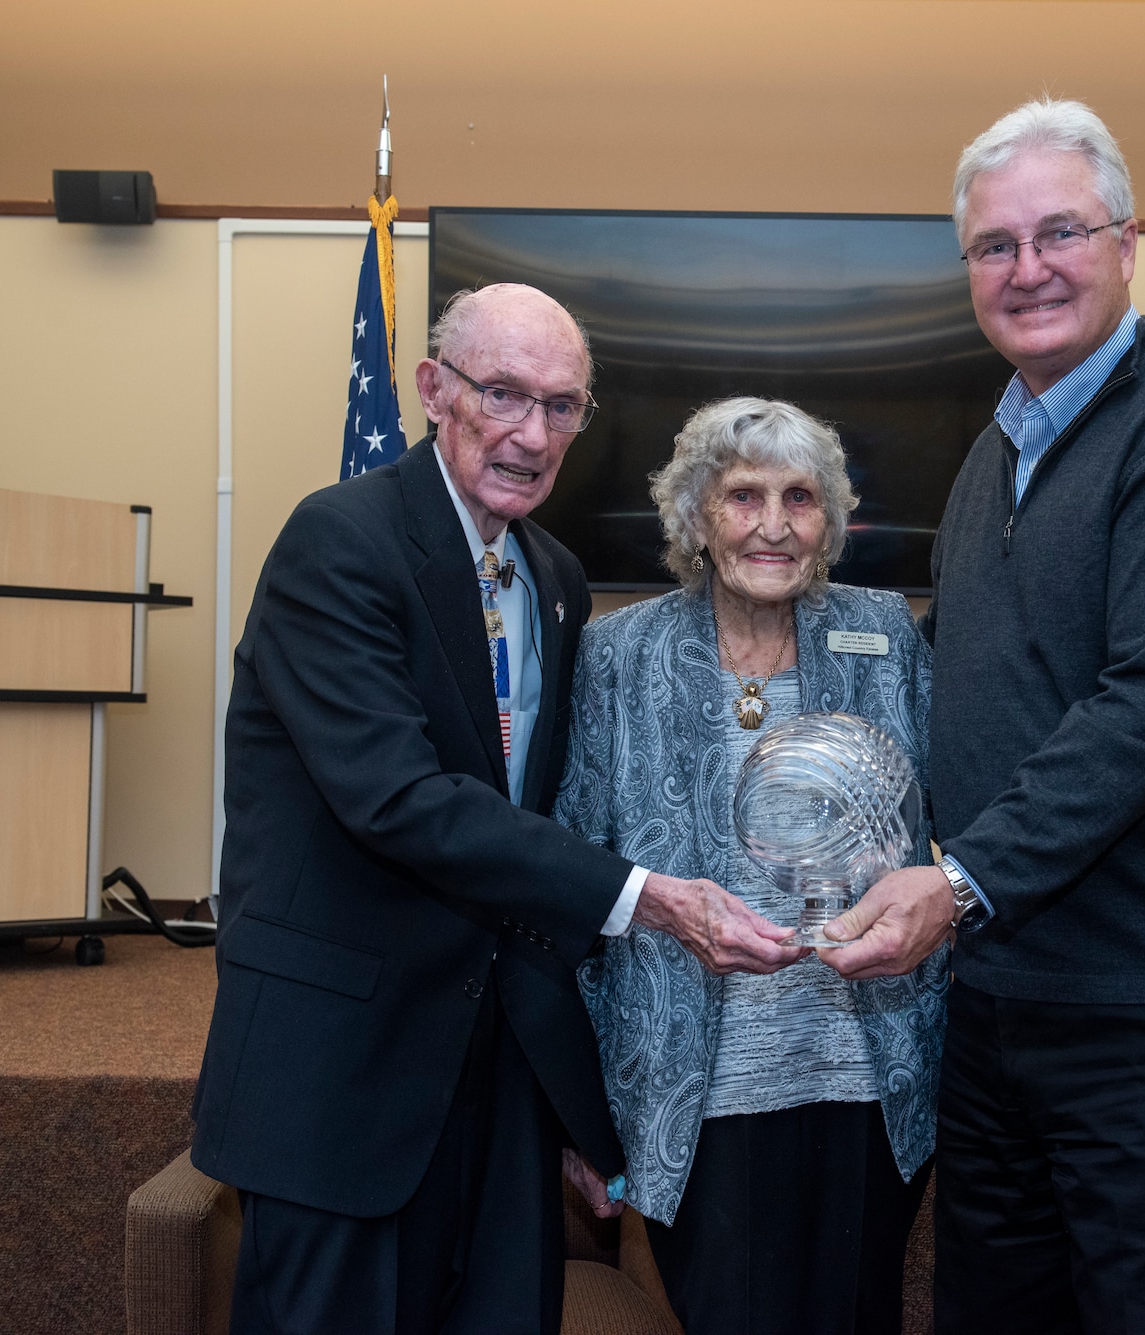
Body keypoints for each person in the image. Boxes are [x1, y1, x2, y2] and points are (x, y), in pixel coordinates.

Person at [191, 284, 797, 1335]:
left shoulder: (552, 577)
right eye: (504, 394)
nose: (532, 433)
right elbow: (400, 802)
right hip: (344, 1073)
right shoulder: (339, 543)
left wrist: (572, 1104)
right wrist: (647, 897)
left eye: (561, 406)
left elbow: (534, 841)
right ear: (433, 390)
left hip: (497, 1082)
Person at [822, 99, 1145, 1333]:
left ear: (1125, 243)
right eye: (994, 246)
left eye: (1059, 232)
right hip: (1007, 1002)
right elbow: (973, 663)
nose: (1027, 268)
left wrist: (960, 879)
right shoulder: (1002, 443)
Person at [555, 397, 943, 1335]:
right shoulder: (618, 653)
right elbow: (572, 870)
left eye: (800, 497)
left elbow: (961, 814)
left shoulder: (887, 634)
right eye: (743, 496)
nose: (773, 525)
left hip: (867, 1073)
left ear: (830, 521)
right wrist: (575, 1105)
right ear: (696, 516)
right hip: (696, 1086)